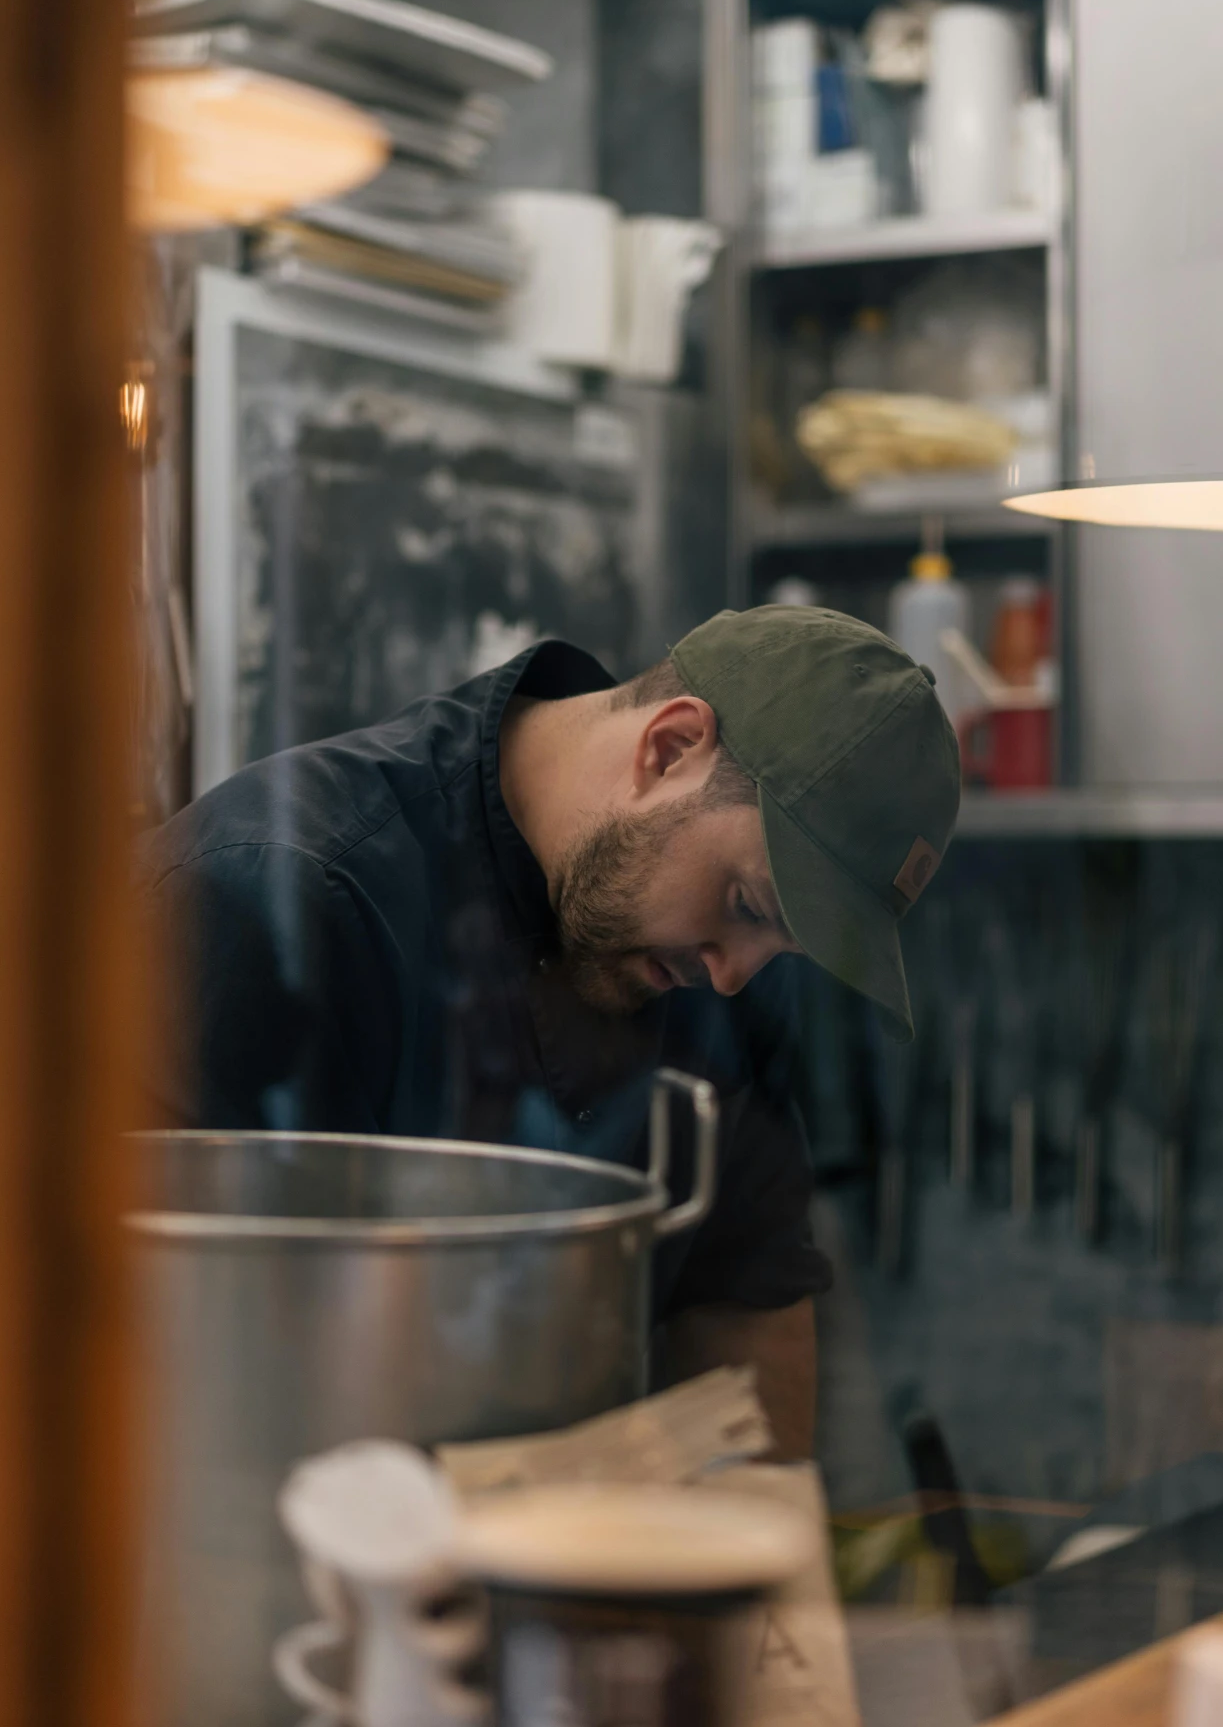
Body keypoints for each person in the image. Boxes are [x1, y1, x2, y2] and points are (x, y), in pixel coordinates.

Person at [141, 605, 960, 1455]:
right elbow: (184, 1376)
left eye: (781, 946)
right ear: (670, 748)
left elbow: (747, 1301)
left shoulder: (721, 966)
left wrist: (757, 1558)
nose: (733, 973)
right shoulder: (272, 897)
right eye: (748, 904)